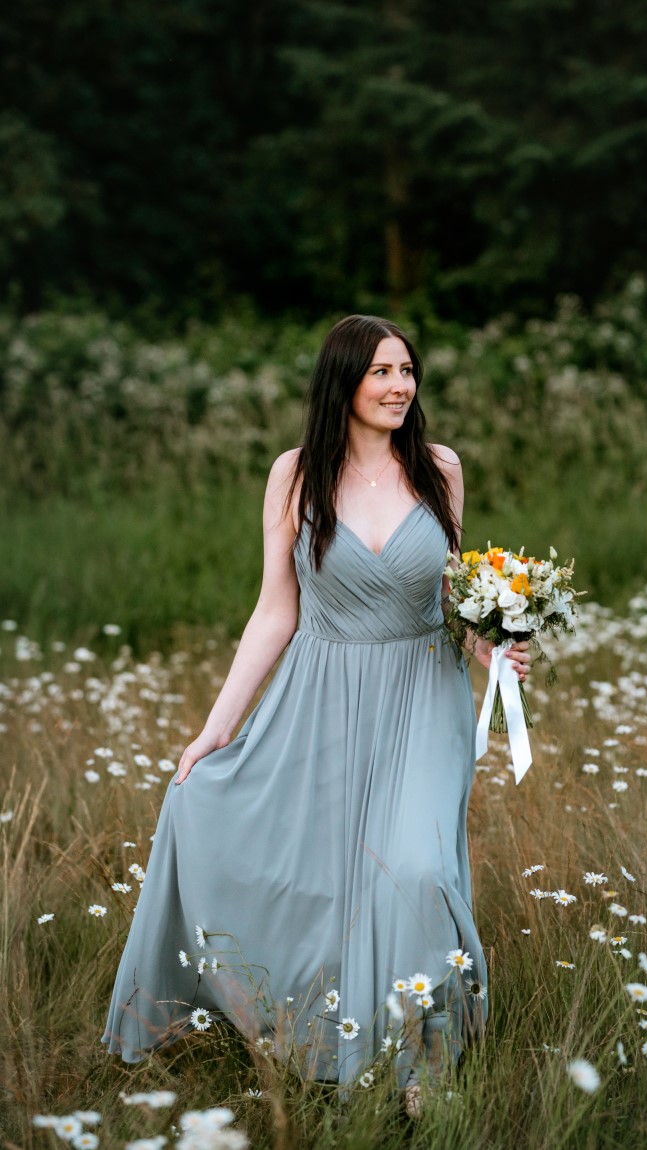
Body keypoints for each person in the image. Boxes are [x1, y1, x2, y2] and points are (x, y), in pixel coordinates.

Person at [101, 315, 530, 1112]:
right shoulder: (295, 475)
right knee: (321, 878)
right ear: (345, 382)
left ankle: (424, 1059)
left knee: (417, 869)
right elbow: (274, 612)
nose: (401, 386)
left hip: (422, 692)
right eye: (382, 372)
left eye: (407, 371)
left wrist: (490, 643)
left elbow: (450, 593)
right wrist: (214, 730)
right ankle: (341, 1036)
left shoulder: (441, 468)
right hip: (322, 692)